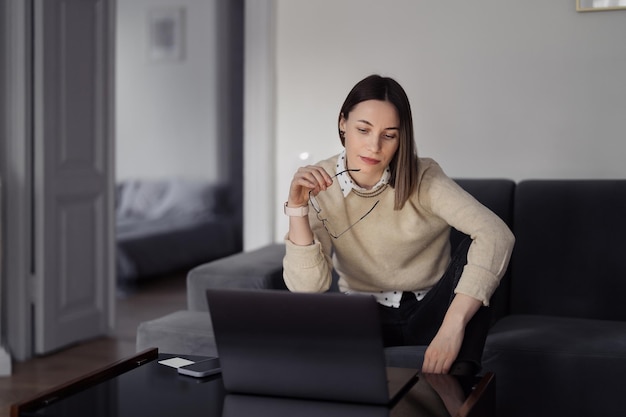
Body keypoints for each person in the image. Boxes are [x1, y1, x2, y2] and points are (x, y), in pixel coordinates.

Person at [282, 74, 514, 375]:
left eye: (388, 135)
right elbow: (308, 288)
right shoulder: (321, 183)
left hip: (432, 309)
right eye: (363, 130)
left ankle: (461, 389)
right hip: (363, 314)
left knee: (479, 251)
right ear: (343, 123)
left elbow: (496, 234)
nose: (374, 146)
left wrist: (452, 326)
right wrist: (298, 207)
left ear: (401, 137)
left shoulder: (424, 177)